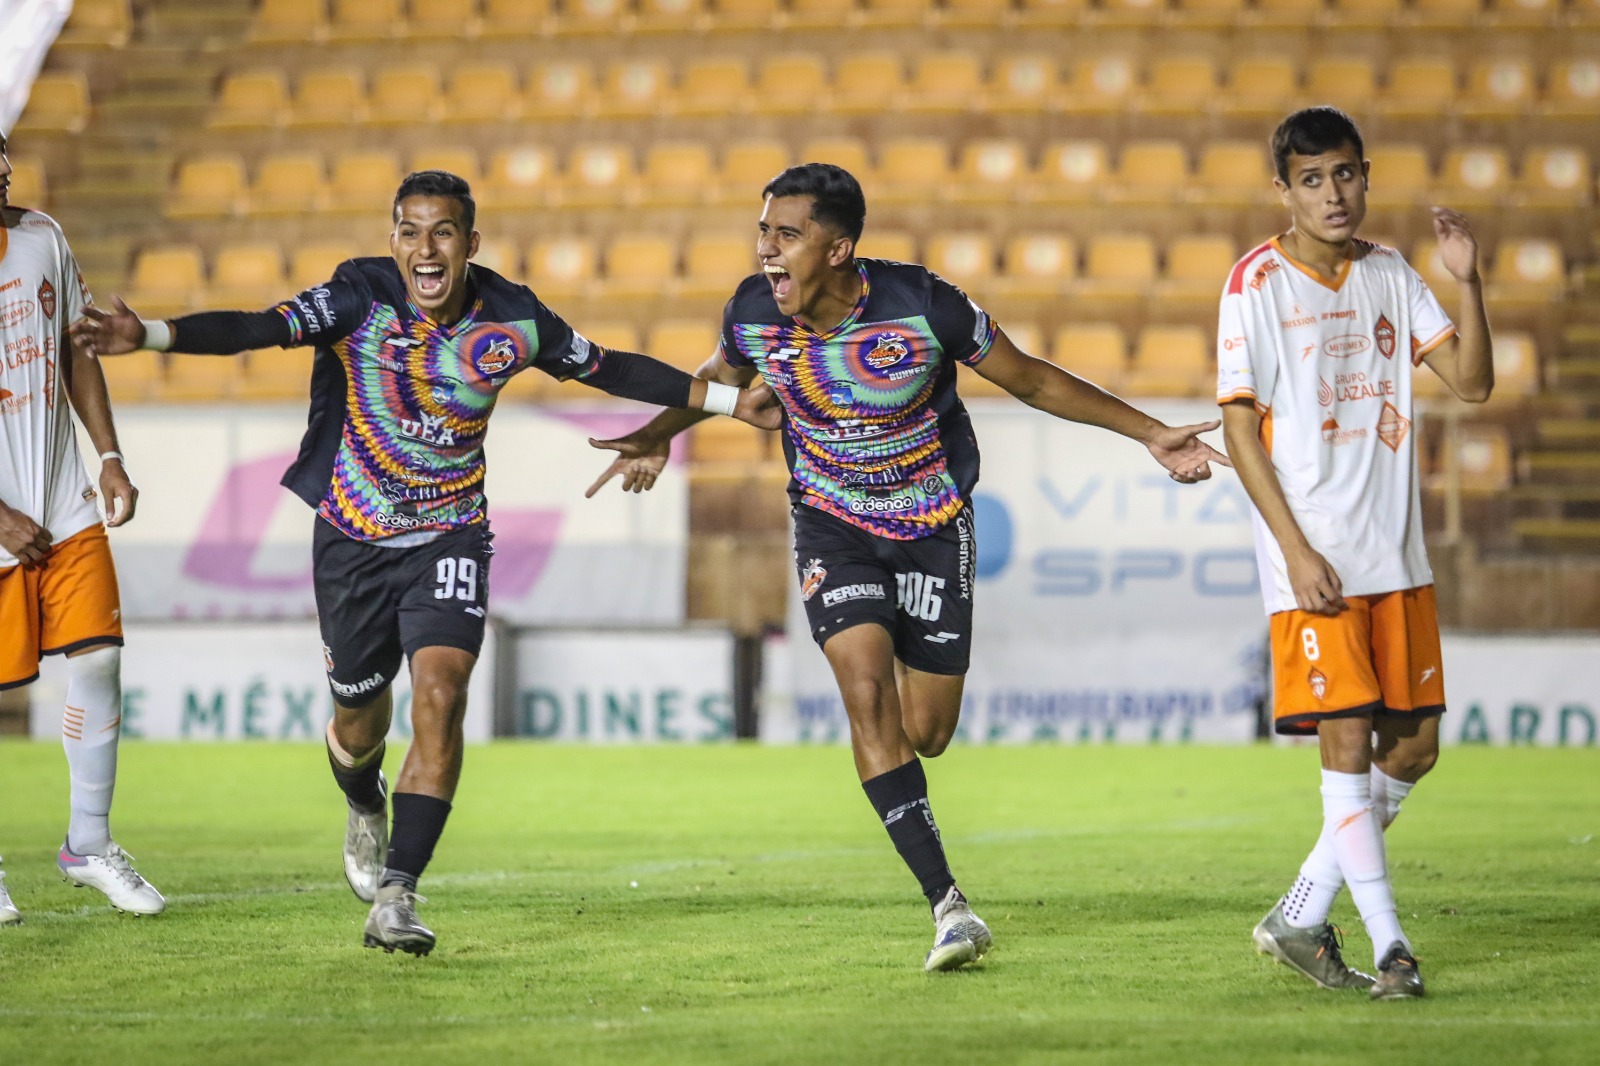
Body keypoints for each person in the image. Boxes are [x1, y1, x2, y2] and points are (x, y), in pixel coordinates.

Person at [74, 170, 777, 954]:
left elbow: (606, 366)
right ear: (393, 242)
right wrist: (154, 336)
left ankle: (398, 896)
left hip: (451, 535)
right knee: (357, 720)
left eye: (442, 232)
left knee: (441, 695)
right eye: (409, 231)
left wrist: (724, 403)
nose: (424, 247)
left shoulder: (513, 318)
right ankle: (364, 802)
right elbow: (258, 327)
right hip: (353, 541)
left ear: (470, 245)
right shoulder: (359, 298)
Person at [587, 163, 1230, 971]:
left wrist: (1149, 433)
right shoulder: (753, 313)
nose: (767, 251)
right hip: (831, 523)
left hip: (931, 525)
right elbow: (720, 380)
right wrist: (658, 433)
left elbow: (1028, 378)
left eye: (786, 235)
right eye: (763, 233)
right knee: (864, 695)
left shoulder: (924, 306)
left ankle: (900, 741)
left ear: (838, 246)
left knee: (926, 730)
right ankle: (950, 907)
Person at [1217, 108, 1493, 1000]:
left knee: (1411, 750)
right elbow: (1239, 430)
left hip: (1397, 557)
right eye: (1311, 180)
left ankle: (1300, 913)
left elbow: (1475, 383)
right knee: (1344, 740)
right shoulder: (1255, 284)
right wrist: (1292, 549)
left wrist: (1470, 283)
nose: (1332, 195)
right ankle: (1393, 949)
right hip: (1316, 558)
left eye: (1344, 175)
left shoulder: (1391, 273)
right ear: (1283, 190)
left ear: (1365, 176)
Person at [0, 131, 165, 922]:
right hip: (0, 521)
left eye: (2, 151)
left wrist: (108, 456)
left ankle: (88, 844)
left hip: (64, 503)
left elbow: (77, 350)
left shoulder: (42, 238)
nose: (3, 167)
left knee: (97, 661)